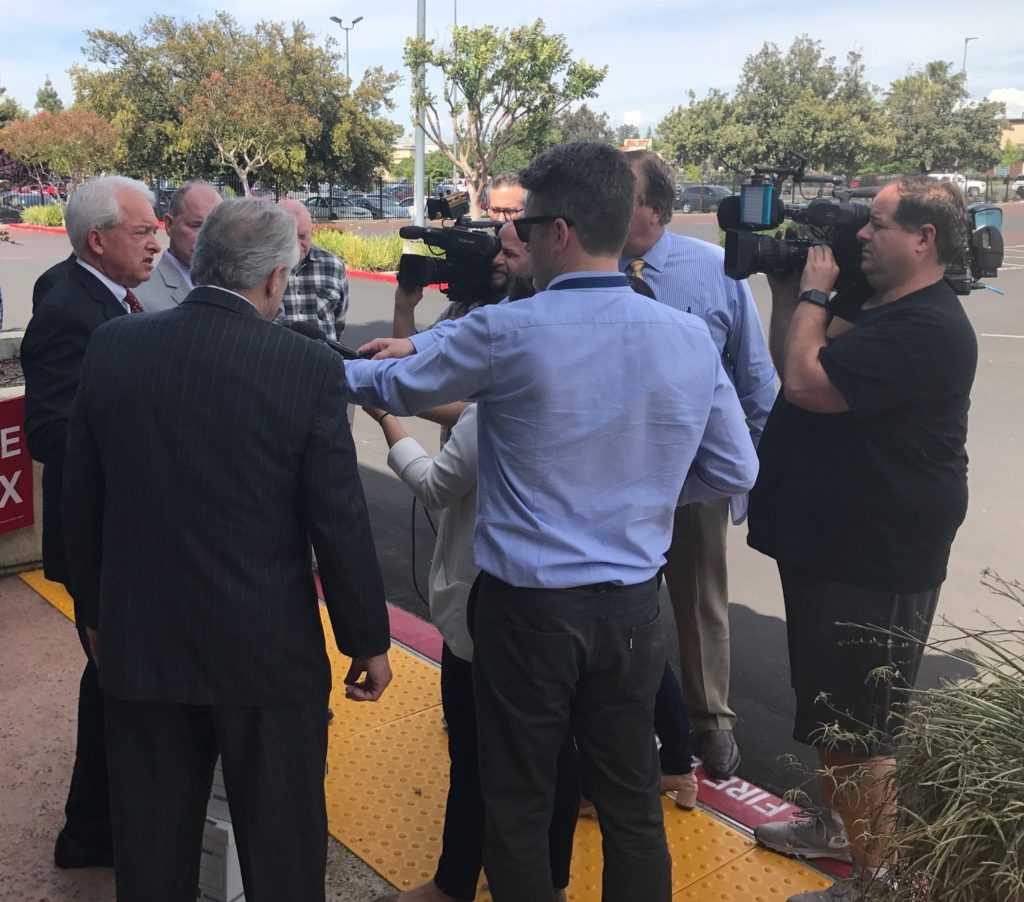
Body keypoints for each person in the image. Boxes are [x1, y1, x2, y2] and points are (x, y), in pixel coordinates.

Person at [348, 141, 759, 902]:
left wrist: (297, 359)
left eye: (527, 226)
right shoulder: (686, 336)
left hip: (527, 614)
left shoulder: (511, 331)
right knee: (631, 802)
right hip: (632, 609)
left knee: (519, 802)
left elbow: (389, 384)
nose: (517, 240)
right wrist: (645, 494)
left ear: (560, 231)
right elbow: (735, 468)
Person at [61, 197, 393, 902]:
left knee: (152, 849)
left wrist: (94, 615)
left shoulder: (115, 345)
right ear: (275, 278)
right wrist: (365, 639)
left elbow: (81, 499)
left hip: (142, 644)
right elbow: (338, 520)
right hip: (267, 656)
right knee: (282, 847)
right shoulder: (305, 367)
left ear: (203, 259)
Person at [746, 178, 978, 902]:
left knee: (858, 728)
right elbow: (795, 359)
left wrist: (816, 293)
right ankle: (838, 828)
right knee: (832, 710)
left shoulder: (927, 326)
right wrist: (793, 292)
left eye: (877, 224)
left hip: (875, 557)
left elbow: (807, 384)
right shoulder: (878, 305)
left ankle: (881, 883)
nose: (863, 236)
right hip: (834, 541)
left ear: (924, 238)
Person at [368, 222, 578, 902]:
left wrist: (388, 417)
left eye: (512, 249)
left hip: (488, 599)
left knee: (478, 752)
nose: (498, 259)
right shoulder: (586, 374)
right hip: (571, 601)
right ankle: (551, 881)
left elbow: (436, 484)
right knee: (556, 749)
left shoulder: (502, 400)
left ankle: (457, 882)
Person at [620, 150, 777, 779]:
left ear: (656, 209)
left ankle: (711, 720)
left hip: (694, 471)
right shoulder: (584, 268)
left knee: (699, 598)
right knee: (614, 600)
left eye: (621, 193)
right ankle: (622, 718)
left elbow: (755, 379)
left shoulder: (715, 270)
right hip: (609, 469)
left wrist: (757, 475)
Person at [21, 175, 161, 871]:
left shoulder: (101, 294)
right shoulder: (69, 309)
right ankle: (91, 834)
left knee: (114, 685)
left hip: (117, 538)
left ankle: (101, 826)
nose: (157, 242)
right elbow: (49, 431)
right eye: (142, 232)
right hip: (101, 542)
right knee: (112, 687)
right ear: (98, 240)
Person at [134, 180, 222, 311]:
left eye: (219, 227)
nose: (210, 238)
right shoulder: (139, 297)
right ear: (169, 225)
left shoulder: (236, 285)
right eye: (197, 226)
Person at [276, 198, 350, 340]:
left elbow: (339, 322)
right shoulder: (264, 268)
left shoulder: (333, 265)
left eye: (303, 236)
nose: (297, 245)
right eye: (289, 238)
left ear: (311, 231)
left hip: (324, 352)